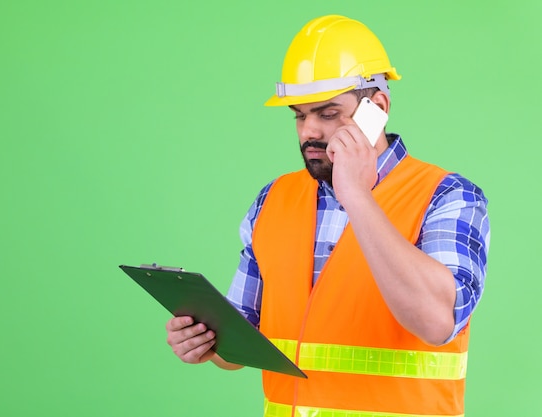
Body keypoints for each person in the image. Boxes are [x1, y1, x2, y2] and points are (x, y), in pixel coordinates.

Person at [166, 15, 490, 417]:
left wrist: (355, 194)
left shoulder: (447, 196)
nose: (309, 132)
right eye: (300, 115)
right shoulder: (274, 199)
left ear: (378, 108)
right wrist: (207, 343)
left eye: (328, 113)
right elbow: (241, 340)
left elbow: (437, 323)